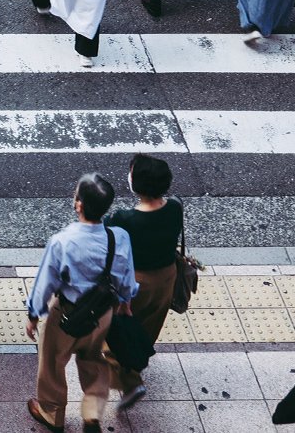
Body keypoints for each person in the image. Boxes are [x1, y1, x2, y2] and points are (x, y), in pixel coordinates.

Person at [26, 174, 139, 433]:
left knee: (52, 362)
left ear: (79, 205)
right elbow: (126, 276)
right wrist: (125, 302)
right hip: (102, 313)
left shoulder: (63, 242)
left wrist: (33, 314)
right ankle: (92, 413)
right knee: (93, 358)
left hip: (66, 314)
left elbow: (46, 282)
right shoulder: (118, 238)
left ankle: (52, 413)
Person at [103, 154, 183, 410]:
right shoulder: (175, 207)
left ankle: (129, 381)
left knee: (115, 331)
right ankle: (138, 358)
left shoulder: (125, 220)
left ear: (136, 184)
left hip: (135, 283)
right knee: (148, 324)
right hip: (167, 276)